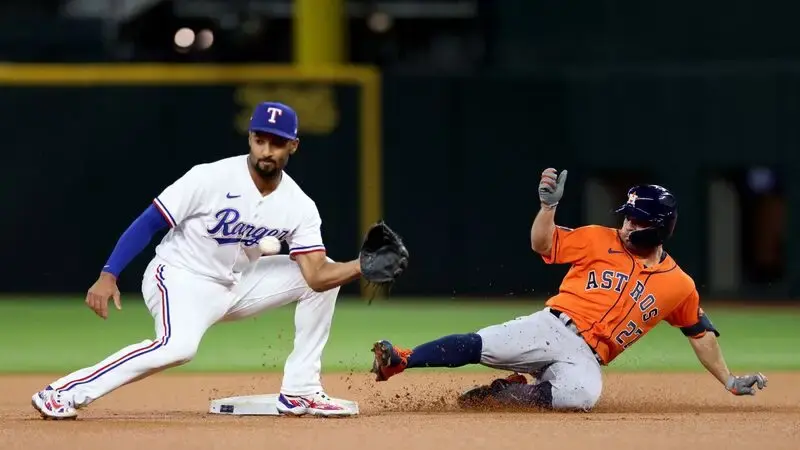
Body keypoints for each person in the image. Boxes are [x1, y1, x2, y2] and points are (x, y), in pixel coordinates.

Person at [32, 101, 393, 419]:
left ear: (293, 146)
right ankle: (62, 393)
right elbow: (149, 222)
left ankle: (301, 389)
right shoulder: (210, 177)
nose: (267, 150)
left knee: (325, 273)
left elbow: (316, 275)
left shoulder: (299, 205)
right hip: (179, 277)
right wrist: (109, 273)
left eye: (277, 142)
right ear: (250, 138)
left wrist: (360, 266)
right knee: (179, 347)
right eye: (260, 139)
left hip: (237, 283)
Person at [369, 168, 767, 411]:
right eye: (626, 218)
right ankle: (402, 359)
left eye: (637, 221)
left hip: (588, 357)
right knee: (480, 344)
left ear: (662, 227)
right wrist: (547, 208)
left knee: (581, 397)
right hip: (553, 326)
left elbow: (700, 335)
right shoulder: (597, 238)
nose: (627, 226)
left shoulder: (679, 285)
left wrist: (729, 380)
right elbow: (542, 245)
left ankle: (507, 394)